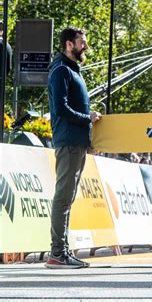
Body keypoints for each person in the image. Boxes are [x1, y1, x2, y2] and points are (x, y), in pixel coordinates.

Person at [45, 27, 101, 269]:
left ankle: (61, 251)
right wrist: (87, 118)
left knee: (67, 199)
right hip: (68, 142)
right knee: (63, 198)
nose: (85, 46)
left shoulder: (71, 70)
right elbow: (61, 109)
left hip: (76, 142)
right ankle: (57, 252)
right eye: (82, 42)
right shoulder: (61, 71)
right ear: (69, 44)